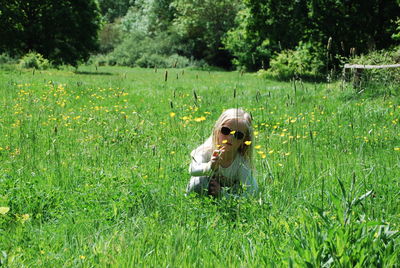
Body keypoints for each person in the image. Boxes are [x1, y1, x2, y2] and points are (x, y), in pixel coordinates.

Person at [186, 108, 258, 198]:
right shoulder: (206, 150)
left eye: (238, 135)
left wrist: (223, 195)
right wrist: (210, 166)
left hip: (227, 198)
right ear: (217, 130)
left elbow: (252, 193)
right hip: (203, 191)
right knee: (197, 181)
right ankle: (195, 202)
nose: (230, 138)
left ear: (245, 140)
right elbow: (192, 170)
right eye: (225, 131)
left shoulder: (241, 163)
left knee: (238, 190)